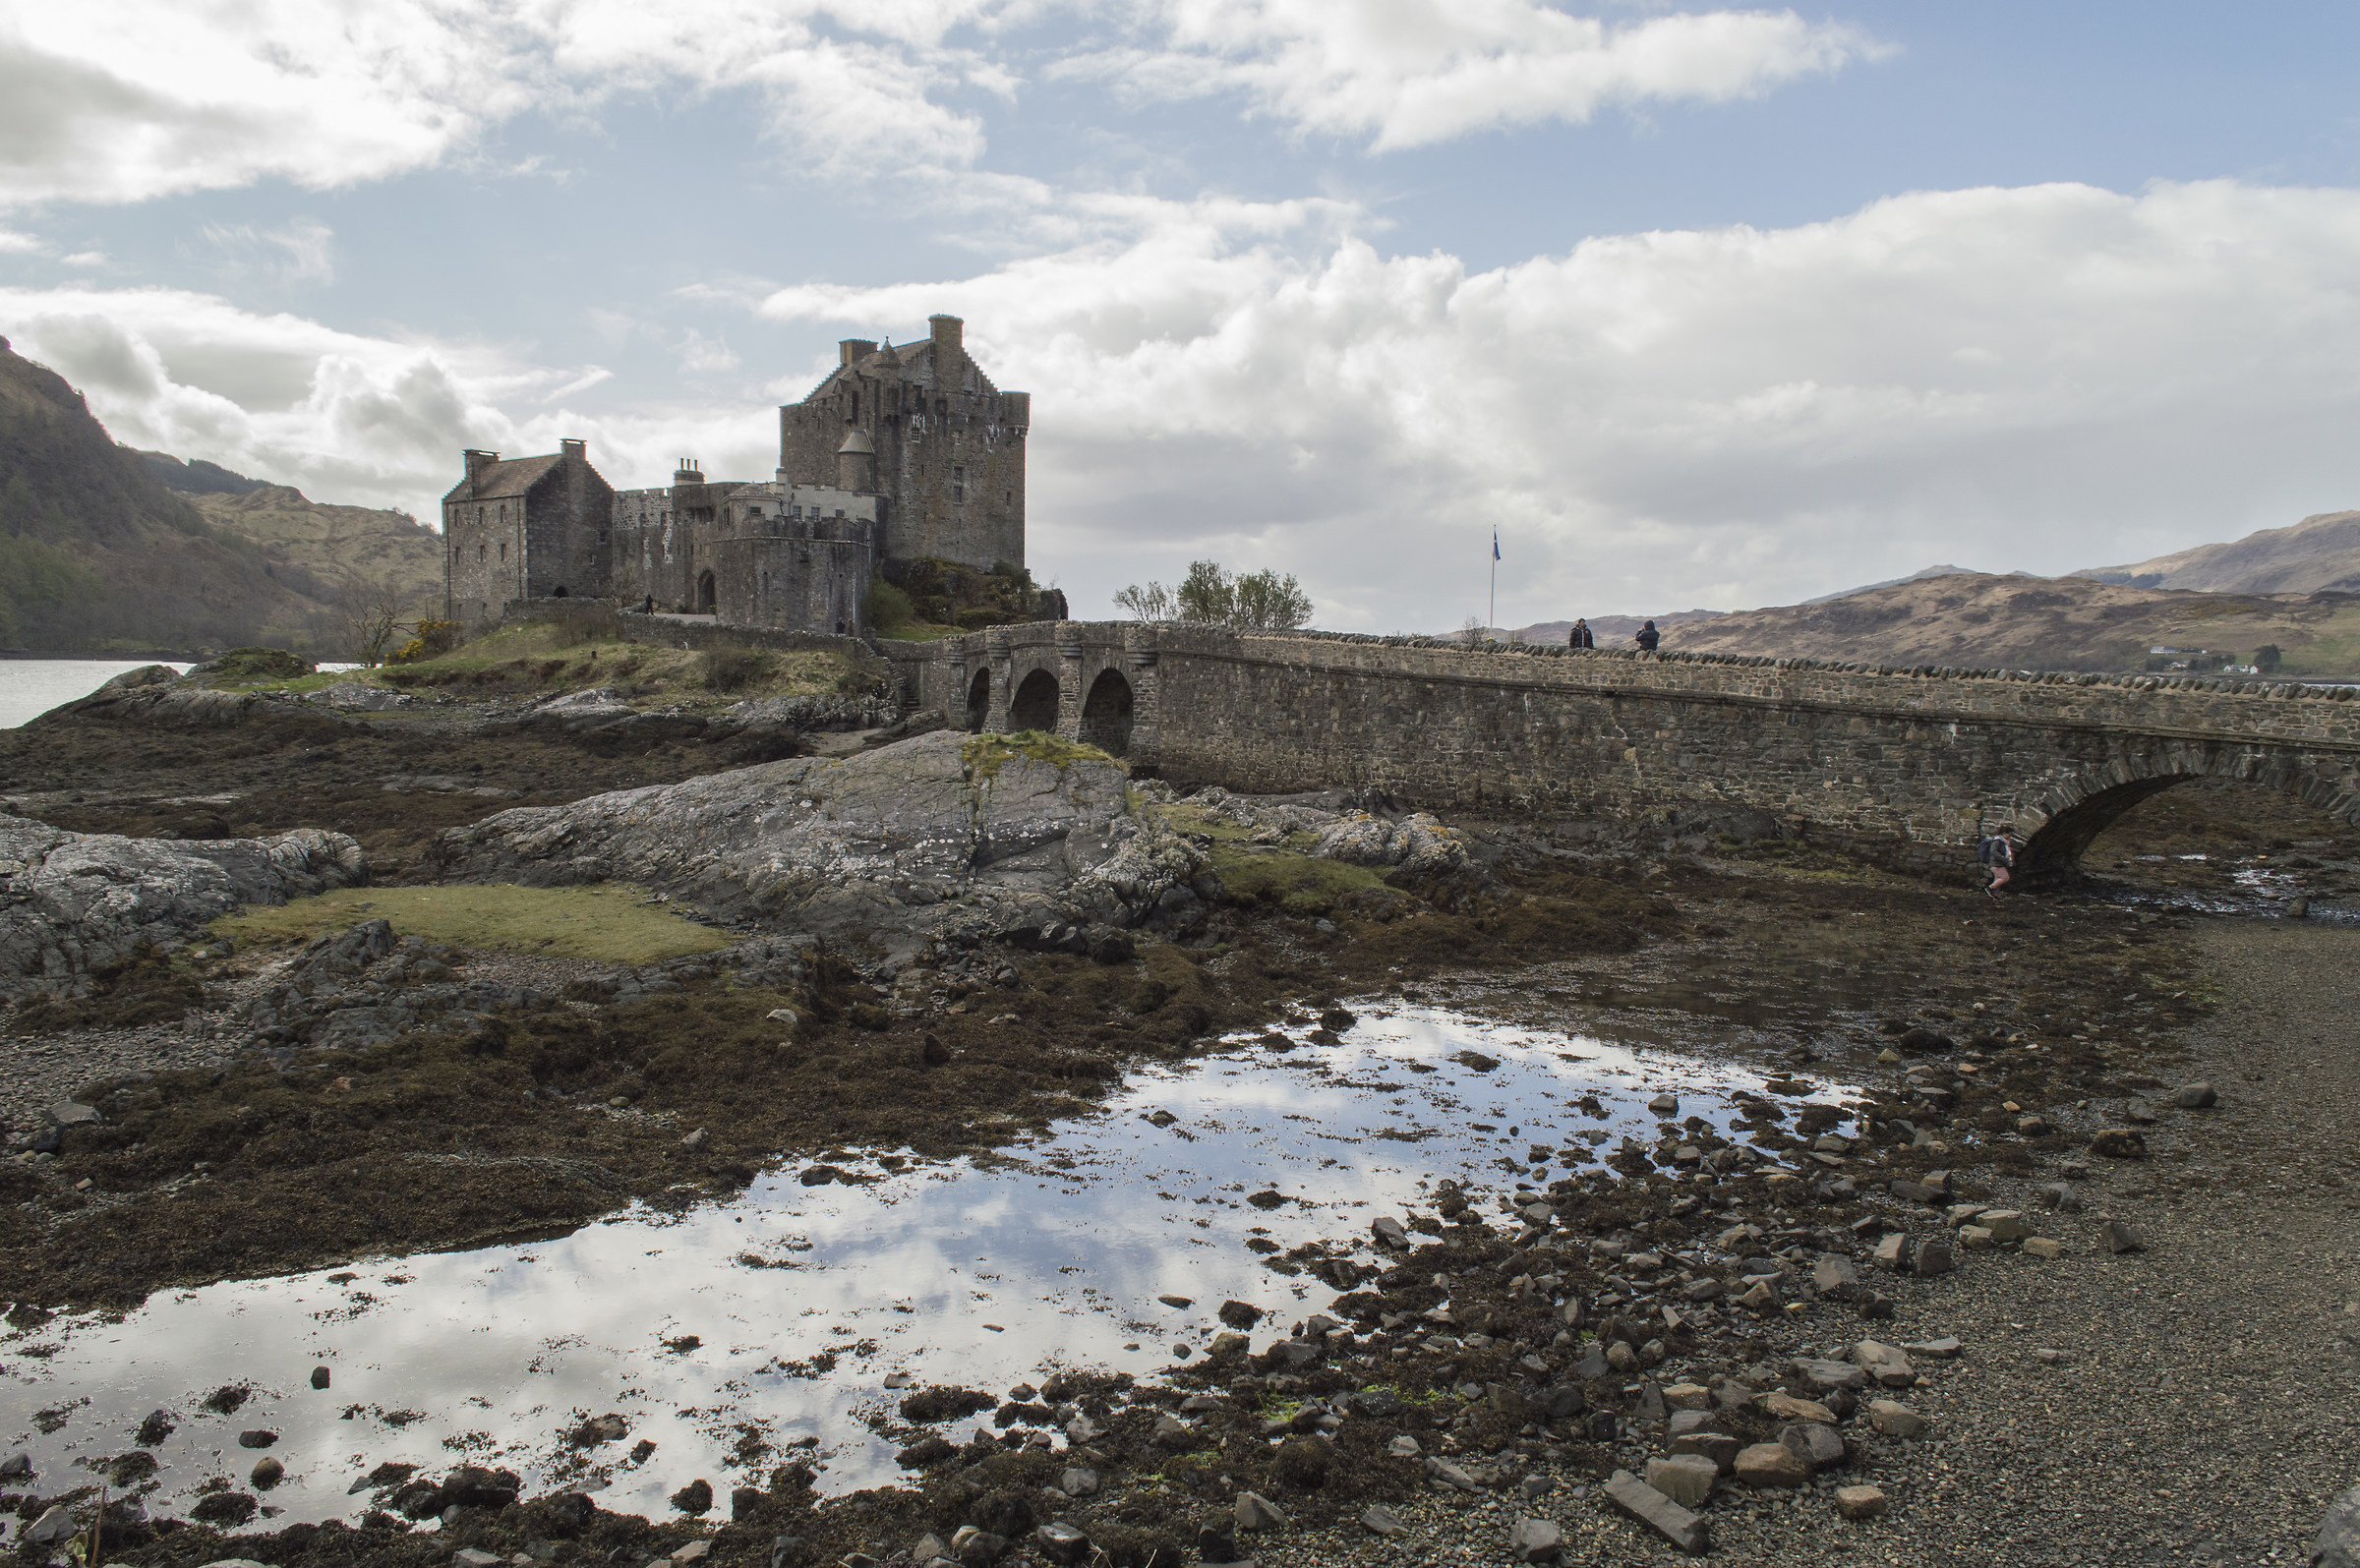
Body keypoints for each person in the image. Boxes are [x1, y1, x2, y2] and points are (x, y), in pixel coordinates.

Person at [1978, 826, 2018, 898]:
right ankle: (1990, 888)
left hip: (2000, 863)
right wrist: (2005, 859)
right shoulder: (1997, 841)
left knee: (1997, 879)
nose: (2010, 836)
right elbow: (1993, 851)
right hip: (1996, 863)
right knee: (2005, 877)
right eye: (2009, 834)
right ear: (2005, 833)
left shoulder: (2004, 842)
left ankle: (1995, 894)